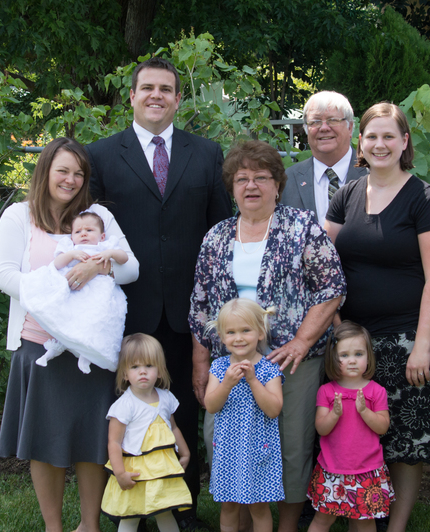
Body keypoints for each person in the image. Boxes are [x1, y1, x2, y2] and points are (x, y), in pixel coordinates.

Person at [87, 57, 231, 530]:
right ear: (131, 96)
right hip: (124, 309)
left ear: (178, 98)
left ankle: (181, 509)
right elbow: (88, 233)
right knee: (122, 412)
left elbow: (219, 234)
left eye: (166, 89)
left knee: (181, 409)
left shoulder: (206, 154)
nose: (156, 96)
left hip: (187, 311)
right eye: (147, 88)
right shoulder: (101, 155)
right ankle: (126, 506)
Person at [189, 140, 346, 532]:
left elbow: (332, 288)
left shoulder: (302, 227)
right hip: (231, 360)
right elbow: (200, 305)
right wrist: (201, 361)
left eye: (261, 177)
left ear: (277, 184)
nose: (251, 185)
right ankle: (240, 522)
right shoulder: (216, 237)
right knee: (222, 440)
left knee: (291, 444)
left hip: (290, 359)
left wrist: (302, 341)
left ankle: (287, 525)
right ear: (232, 188)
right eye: (242, 178)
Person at [0, 137, 140, 532]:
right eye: (63, 170)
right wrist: (54, 289)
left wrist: (97, 267)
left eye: (78, 173)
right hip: (39, 344)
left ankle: (89, 525)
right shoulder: (19, 216)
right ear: (45, 171)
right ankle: (53, 527)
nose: (70, 180)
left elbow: (131, 269)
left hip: (92, 348)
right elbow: (3, 275)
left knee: (93, 440)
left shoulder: (97, 217)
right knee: (44, 443)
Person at [324, 102, 430, 532]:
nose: (380, 145)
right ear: (360, 142)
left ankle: (394, 526)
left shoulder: (424, 199)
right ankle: (359, 514)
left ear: (404, 142)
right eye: (372, 136)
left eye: (389, 136)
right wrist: (337, 324)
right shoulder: (347, 194)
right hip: (352, 341)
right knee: (352, 428)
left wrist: (422, 345)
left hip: (405, 339)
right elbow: (324, 265)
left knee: (405, 442)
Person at [205, 299, 285, 532]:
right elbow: (211, 405)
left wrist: (252, 380)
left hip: (259, 449)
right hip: (228, 450)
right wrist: (226, 384)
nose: (238, 338)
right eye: (231, 332)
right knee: (228, 506)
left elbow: (273, 409)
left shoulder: (269, 368)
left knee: (259, 507)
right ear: (222, 337)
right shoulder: (219, 367)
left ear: (260, 333)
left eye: (245, 330)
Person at [307, 321, 394, 532]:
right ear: (332, 358)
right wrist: (335, 414)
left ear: (368, 356)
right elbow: (321, 429)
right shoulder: (327, 391)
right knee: (322, 520)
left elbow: (382, 427)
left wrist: (364, 411)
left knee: (365, 522)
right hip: (332, 469)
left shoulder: (376, 391)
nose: (352, 360)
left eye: (358, 354)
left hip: (367, 470)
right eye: (344, 355)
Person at [102, 333, 192, 532]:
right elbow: (114, 442)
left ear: (159, 371)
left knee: (165, 510)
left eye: (149, 366)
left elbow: (173, 427)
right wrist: (120, 473)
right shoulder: (124, 405)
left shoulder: (166, 398)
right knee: (131, 514)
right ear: (125, 374)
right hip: (135, 472)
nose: (142, 372)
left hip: (161, 470)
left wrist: (185, 453)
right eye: (135, 367)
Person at [19, 211, 129, 373]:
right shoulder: (71, 247)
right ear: (72, 236)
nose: (83, 233)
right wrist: (71, 255)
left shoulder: (106, 246)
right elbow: (56, 264)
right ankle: (55, 347)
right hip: (76, 292)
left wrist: (110, 253)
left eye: (89, 230)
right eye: (78, 231)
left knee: (96, 319)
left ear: (102, 236)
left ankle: (87, 353)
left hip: (99, 292)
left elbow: (124, 258)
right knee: (66, 317)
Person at [282, 91, 368, 224]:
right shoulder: (288, 180)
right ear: (306, 129)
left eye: (332, 120)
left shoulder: (372, 174)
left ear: (350, 128)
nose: (324, 128)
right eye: (315, 122)